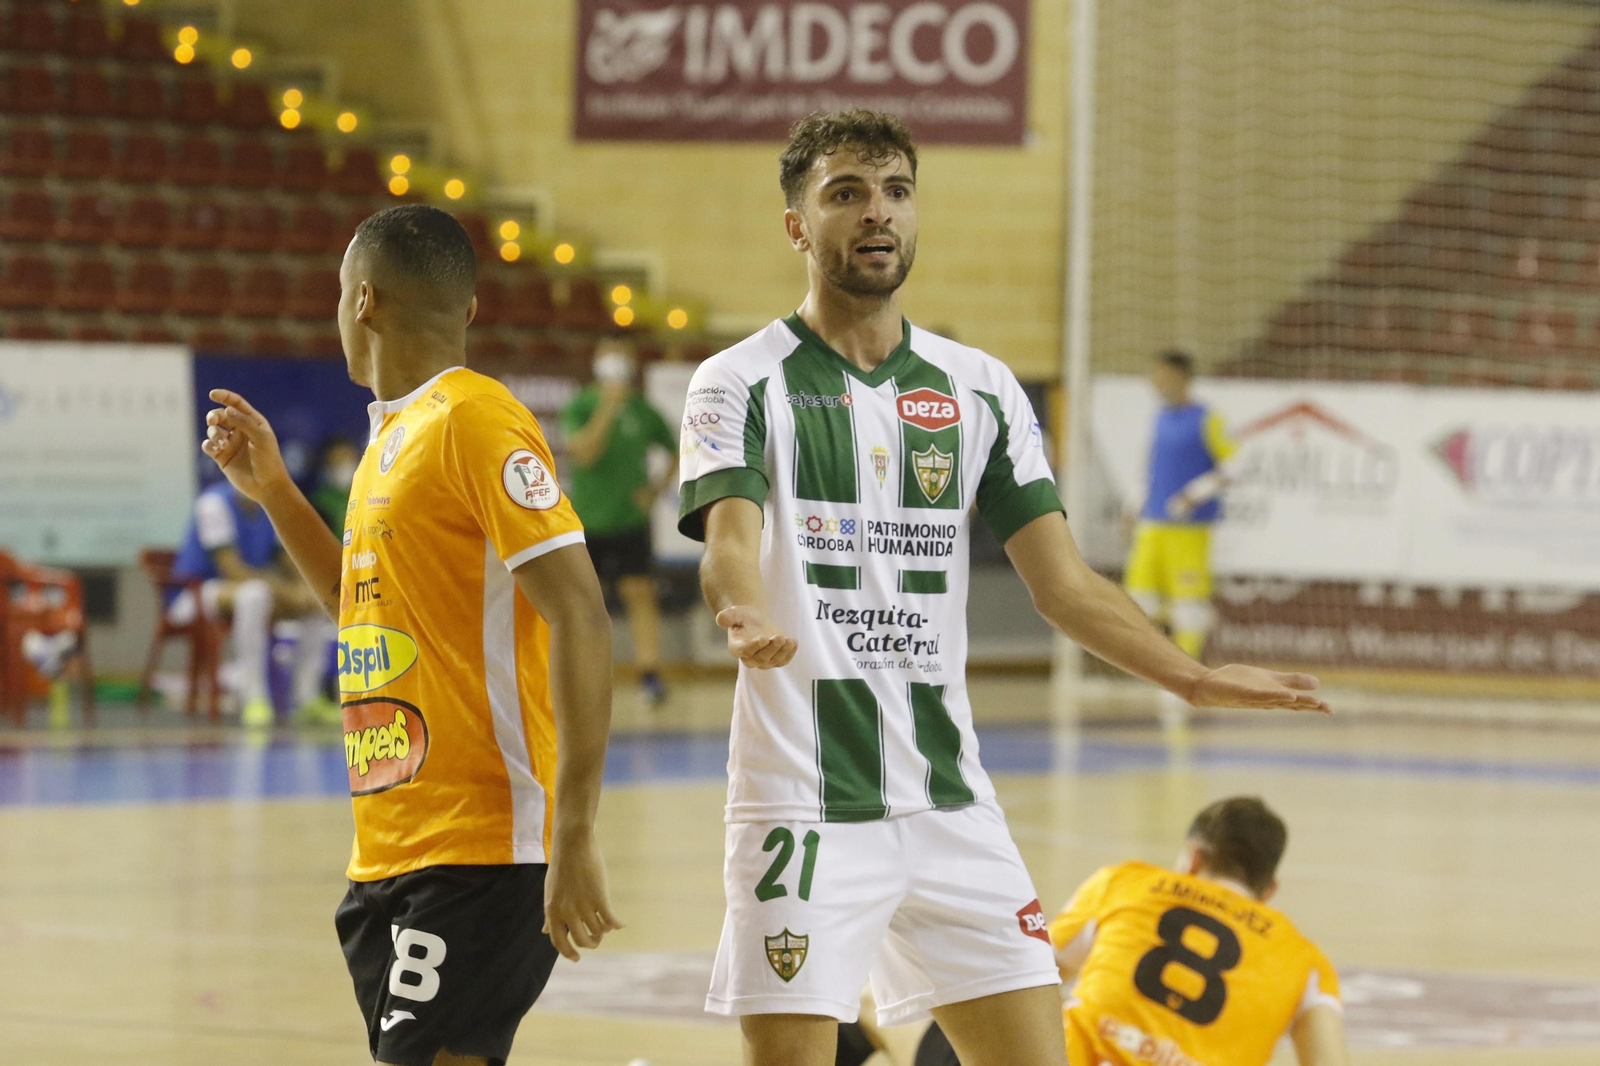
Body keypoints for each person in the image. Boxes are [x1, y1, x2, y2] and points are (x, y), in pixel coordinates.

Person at [676, 108, 1329, 1066]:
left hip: (951, 804)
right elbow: (731, 538)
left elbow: (1065, 585)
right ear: (797, 226)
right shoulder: (738, 382)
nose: (877, 213)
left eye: (896, 191)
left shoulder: (978, 388)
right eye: (846, 194)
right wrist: (741, 606)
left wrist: (1188, 677)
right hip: (805, 802)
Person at [199, 204, 622, 1066]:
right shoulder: (391, 439)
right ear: (464, 311)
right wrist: (276, 491)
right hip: (387, 853)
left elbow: (579, 611)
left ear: (361, 302)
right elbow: (354, 610)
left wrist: (571, 835)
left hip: (481, 852)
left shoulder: (474, 420)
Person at [1049, 797, 1348, 1066]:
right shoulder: (1305, 962)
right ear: (1268, 891)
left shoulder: (1123, 884)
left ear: (1194, 858)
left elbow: (1030, 976)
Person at [560, 339, 677, 706]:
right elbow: (584, 452)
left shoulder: (643, 411)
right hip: (587, 520)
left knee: (640, 594)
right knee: (581, 603)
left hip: (629, 520)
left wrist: (656, 490)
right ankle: (579, 680)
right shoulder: (581, 405)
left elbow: (676, 447)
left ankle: (650, 675)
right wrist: (607, 408)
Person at [167, 478, 335, 726]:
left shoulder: (270, 505)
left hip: (254, 591)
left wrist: (307, 589)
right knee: (254, 595)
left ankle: (307, 697)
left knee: (314, 604)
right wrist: (291, 593)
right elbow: (232, 570)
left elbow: (289, 560)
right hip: (192, 596)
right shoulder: (213, 504)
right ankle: (253, 696)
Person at [1123, 350, 1237, 661]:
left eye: (1161, 375)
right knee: (1139, 599)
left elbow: (1234, 466)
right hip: (1152, 523)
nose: (1155, 382)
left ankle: (1185, 670)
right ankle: (1159, 661)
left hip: (1189, 529)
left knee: (1188, 602)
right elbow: (1149, 469)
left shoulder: (1208, 418)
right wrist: (1133, 507)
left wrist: (1195, 493)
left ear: (1181, 377)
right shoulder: (1159, 418)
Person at [310, 434, 363, 532]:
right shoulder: (321, 501)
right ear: (328, 464)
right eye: (337, 460)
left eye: (346, 457)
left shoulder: (366, 494)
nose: (343, 465)